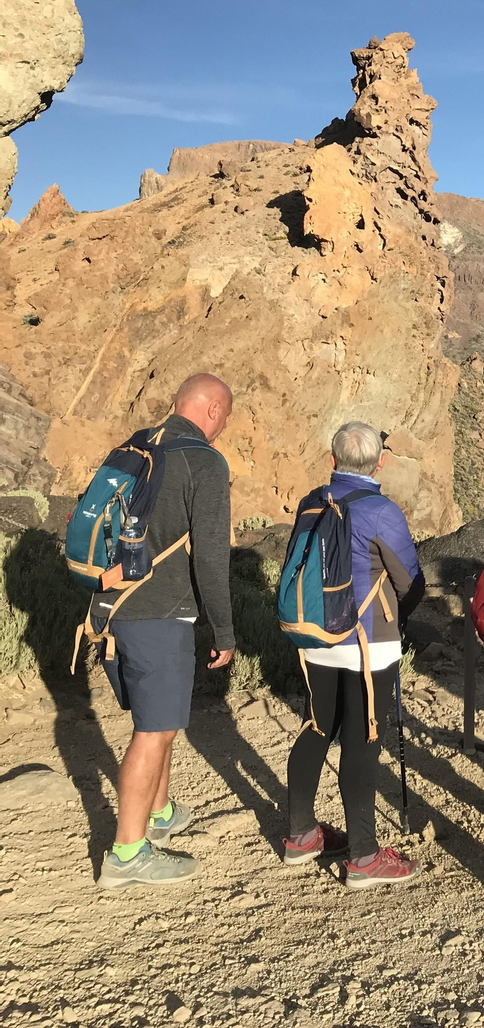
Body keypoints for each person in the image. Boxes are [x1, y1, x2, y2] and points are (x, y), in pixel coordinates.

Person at [95, 373, 235, 890]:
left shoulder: (137, 447)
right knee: (153, 732)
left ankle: (160, 812)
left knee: (162, 720)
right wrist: (224, 629)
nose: (223, 427)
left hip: (116, 606)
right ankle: (127, 854)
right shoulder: (204, 461)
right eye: (225, 417)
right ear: (213, 411)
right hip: (160, 613)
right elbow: (212, 557)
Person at [282, 421, 425, 888]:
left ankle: (301, 835)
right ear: (379, 463)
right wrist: (398, 620)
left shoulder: (312, 501)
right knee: (363, 741)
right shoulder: (382, 511)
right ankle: (364, 856)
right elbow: (411, 583)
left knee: (317, 727)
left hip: (315, 636)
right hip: (368, 644)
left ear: (332, 460)